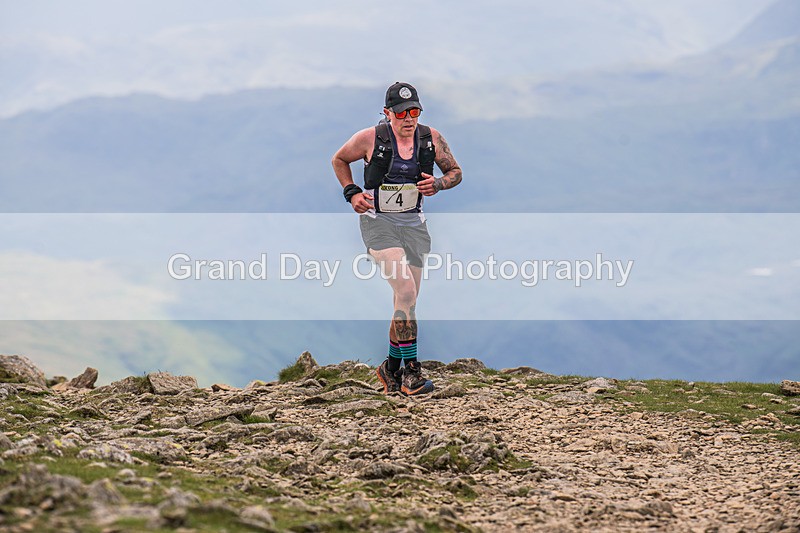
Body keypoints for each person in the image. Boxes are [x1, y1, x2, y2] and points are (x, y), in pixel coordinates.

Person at [331, 82, 462, 396]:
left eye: (414, 111)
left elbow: (456, 171)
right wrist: (351, 193)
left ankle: (390, 368)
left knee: (407, 302)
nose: (409, 118)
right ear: (387, 113)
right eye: (402, 112)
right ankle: (411, 375)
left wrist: (440, 184)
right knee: (404, 289)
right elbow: (339, 159)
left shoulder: (431, 139)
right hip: (379, 224)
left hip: (414, 226)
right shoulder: (369, 139)